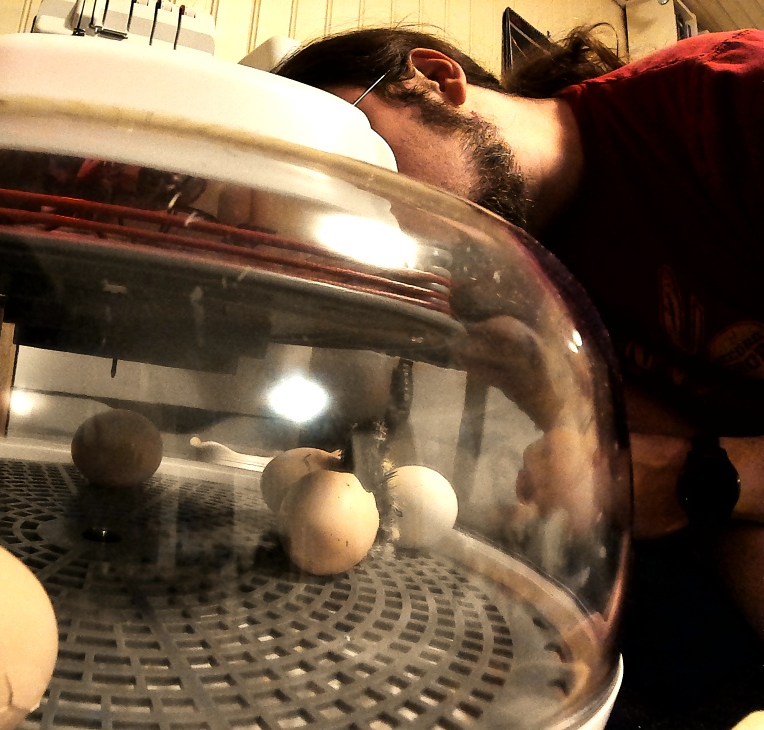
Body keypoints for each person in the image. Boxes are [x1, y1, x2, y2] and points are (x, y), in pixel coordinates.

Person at [273, 26, 764, 633]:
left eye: (365, 164)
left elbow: (689, 476)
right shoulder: (508, 288)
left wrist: (706, 479)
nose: (373, 216)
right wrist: (551, 396)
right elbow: (667, 481)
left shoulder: (727, 105)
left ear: (434, 80)